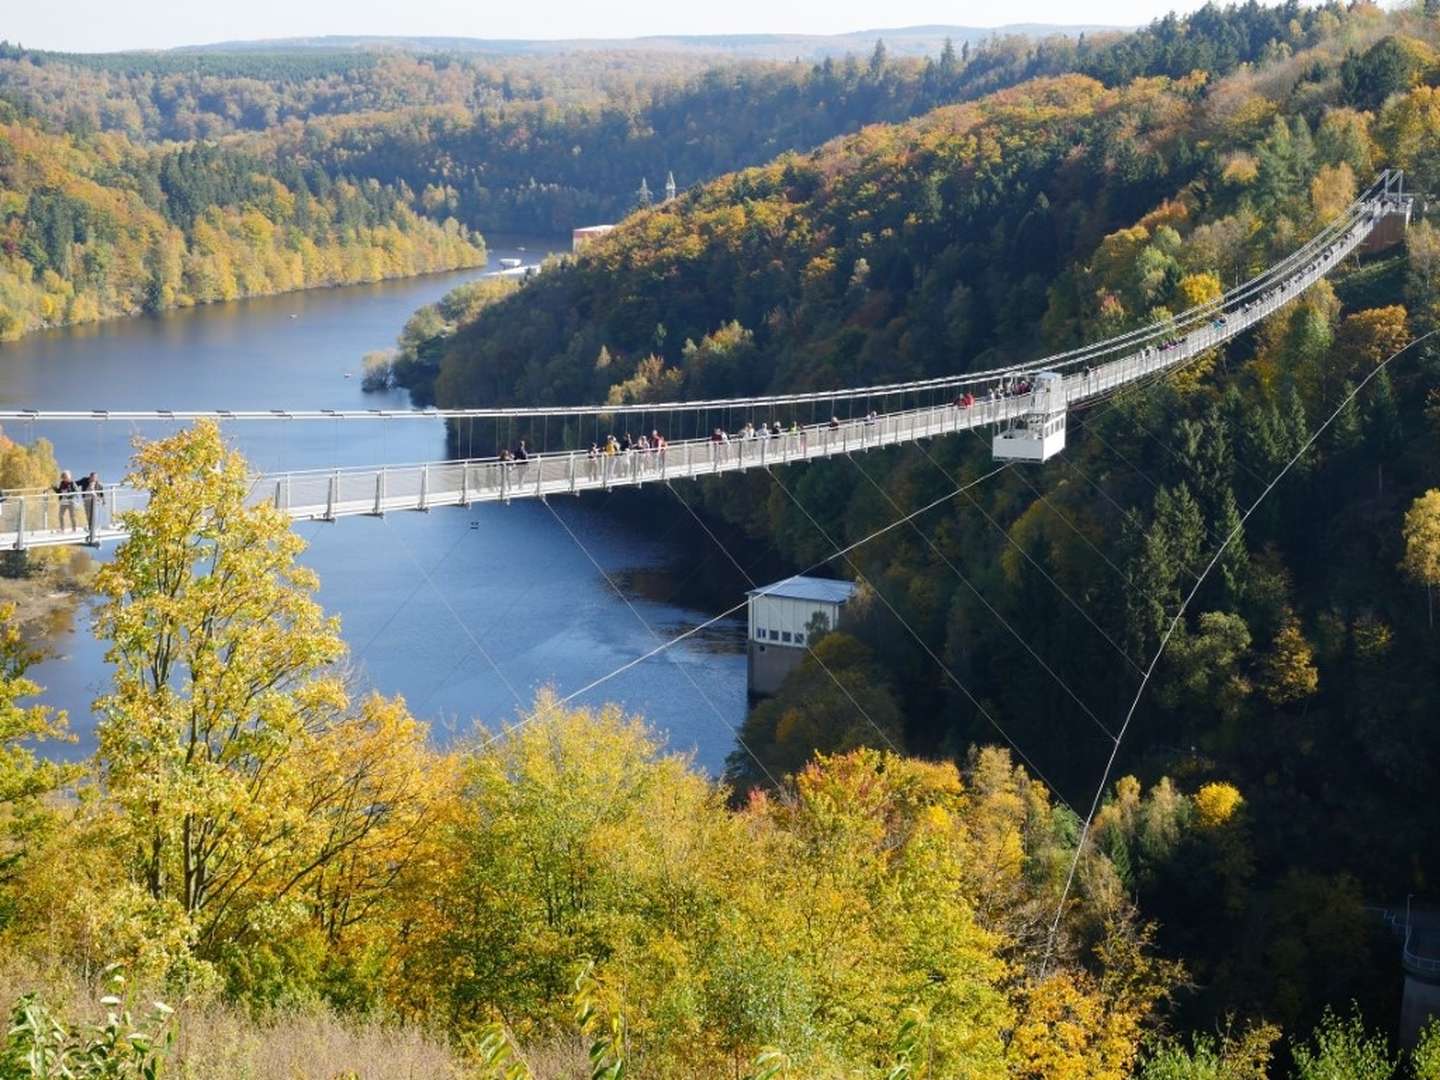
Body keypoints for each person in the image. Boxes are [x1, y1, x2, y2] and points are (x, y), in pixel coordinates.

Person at [77, 471, 104, 537]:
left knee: (94, 514)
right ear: (90, 477)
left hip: (95, 501)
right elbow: (76, 484)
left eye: (96, 478)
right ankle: (90, 527)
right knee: (88, 514)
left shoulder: (99, 485)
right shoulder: (84, 480)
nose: (94, 479)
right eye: (93, 478)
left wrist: (103, 501)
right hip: (87, 500)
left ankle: (93, 528)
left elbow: (101, 494)